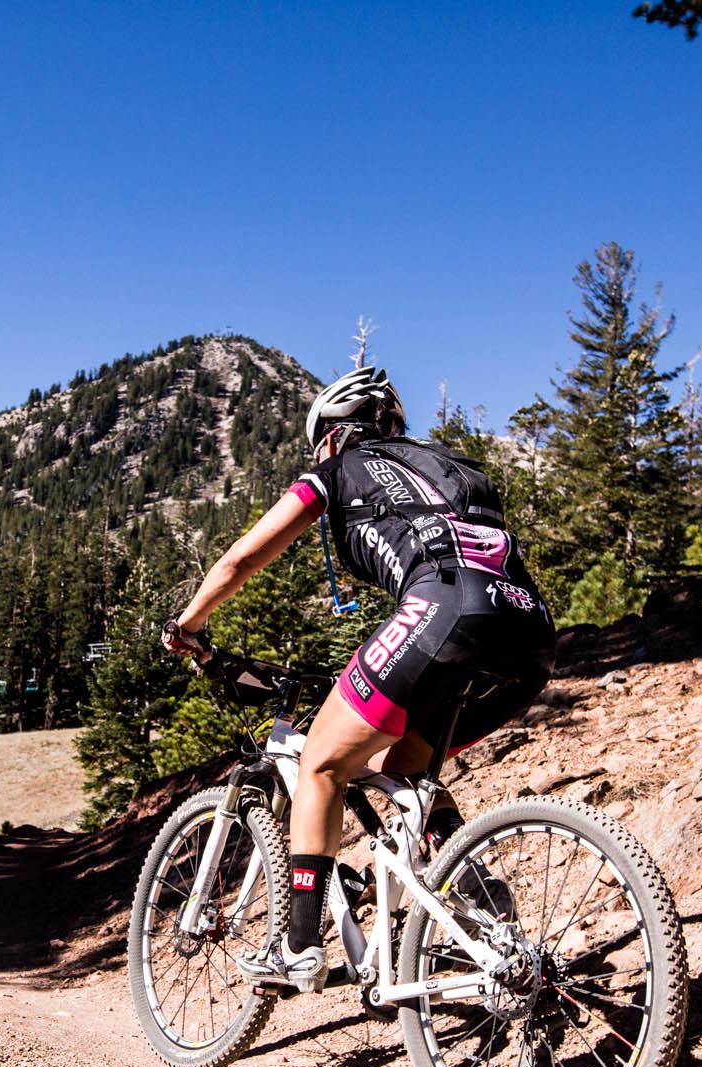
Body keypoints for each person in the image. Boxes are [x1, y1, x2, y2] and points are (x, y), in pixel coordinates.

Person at [161, 366, 555, 991]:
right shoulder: (453, 467)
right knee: (406, 770)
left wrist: (188, 624)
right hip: (529, 631)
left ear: (334, 436)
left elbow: (243, 556)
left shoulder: (339, 468)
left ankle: (297, 949)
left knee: (320, 760)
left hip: (444, 610)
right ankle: (479, 899)